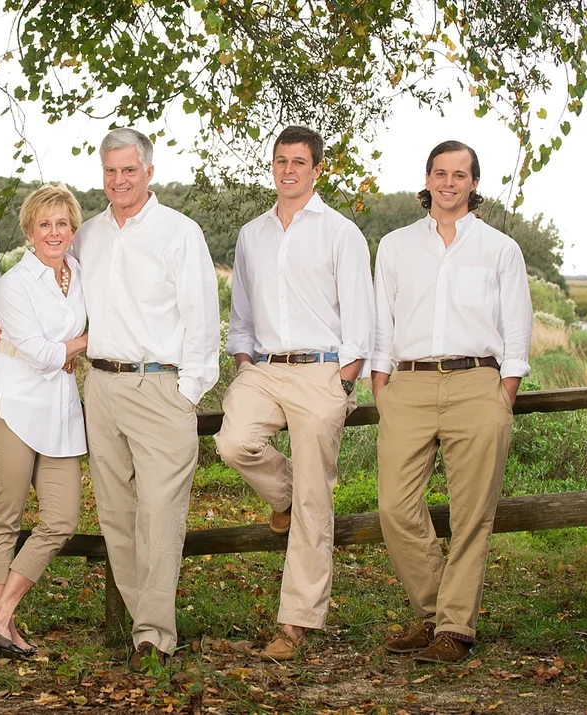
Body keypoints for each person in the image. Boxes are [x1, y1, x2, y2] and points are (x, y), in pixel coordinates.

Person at [214, 126, 375, 660]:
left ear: (316, 169)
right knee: (233, 442)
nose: (289, 170)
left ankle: (295, 625)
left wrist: (344, 382)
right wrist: (243, 363)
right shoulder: (252, 234)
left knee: (315, 497)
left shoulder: (340, 233)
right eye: (281, 160)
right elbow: (241, 315)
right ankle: (279, 496)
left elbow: (360, 319)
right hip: (263, 368)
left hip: (322, 373)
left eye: (299, 162)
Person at [371, 140, 532, 664]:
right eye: (440, 173)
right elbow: (381, 321)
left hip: (476, 386)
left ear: (473, 183)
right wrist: (381, 386)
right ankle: (437, 612)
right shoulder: (395, 245)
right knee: (395, 507)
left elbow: (516, 330)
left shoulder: (500, 250)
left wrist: (503, 391)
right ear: (428, 178)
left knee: (471, 515)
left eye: (459, 175)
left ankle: (454, 630)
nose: (448, 182)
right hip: (410, 386)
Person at [77, 128, 220, 671]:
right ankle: (145, 626)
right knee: (116, 514)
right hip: (102, 386)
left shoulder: (179, 233)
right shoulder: (88, 234)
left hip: (160, 386)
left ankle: (154, 637)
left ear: (149, 172)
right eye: (111, 171)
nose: (119, 181)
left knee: (160, 514)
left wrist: (186, 392)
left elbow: (203, 318)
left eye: (129, 170)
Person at [0, 183, 87, 660]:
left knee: (61, 520)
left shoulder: (80, 274)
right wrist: (86, 340)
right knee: (6, 520)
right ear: (30, 230)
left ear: (73, 230)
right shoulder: (14, 283)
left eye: (62, 223)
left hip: (59, 409)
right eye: (45, 224)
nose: (53, 232)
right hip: (12, 404)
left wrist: (71, 348)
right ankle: (7, 629)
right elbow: (39, 355)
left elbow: (54, 351)